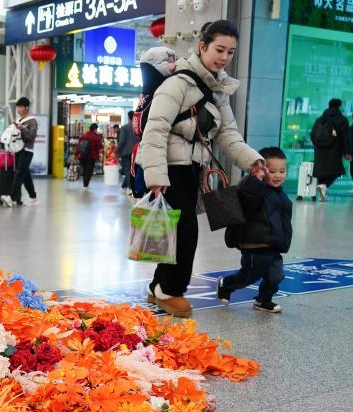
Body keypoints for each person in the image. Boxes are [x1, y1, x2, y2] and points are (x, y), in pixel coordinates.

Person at [136, 19, 264, 318]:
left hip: (192, 168)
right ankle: (170, 290)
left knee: (174, 230)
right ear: (202, 46)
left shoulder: (218, 90)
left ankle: (157, 285)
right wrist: (156, 177)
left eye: (231, 52)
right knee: (185, 231)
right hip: (169, 168)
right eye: (219, 49)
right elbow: (155, 130)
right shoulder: (178, 83)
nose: (224, 57)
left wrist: (252, 160)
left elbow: (228, 133)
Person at [218, 147, 292, 313]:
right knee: (248, 276)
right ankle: (226, 284)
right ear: (261, 169)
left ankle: (263, 300)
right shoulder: (252, 187)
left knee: (276, 276)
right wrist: (255, 180)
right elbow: (248, 201)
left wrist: (284, 241)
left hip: (273, 245)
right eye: (272, 171)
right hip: (254, 246)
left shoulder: (280, 193)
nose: (278, 175)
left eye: (282, 171)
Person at [311, 98, 350, 201]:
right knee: (337, 170)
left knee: (321, 171)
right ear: (339, 106)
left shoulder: (320, 119)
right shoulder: (342, 119)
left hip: (319, 150)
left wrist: (318, 144)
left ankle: (322, 189)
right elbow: (345, 137)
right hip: (334, 150)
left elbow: (312, 135)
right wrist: (347, 152)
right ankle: (324, 186)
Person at [3, 98, 39, 207]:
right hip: (17, 150)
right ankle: (33, 197)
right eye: (17, 107)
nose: (18, 109)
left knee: (19, 174)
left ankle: (11, 197)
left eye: (20, 107)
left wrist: (22, 129)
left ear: (26, 107)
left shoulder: (32, 121)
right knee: (25, 175)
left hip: (27, 150)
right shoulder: (19, 120)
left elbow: (32, 136)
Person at [117, 111, 139, 193]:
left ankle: (130, 188)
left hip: (126, 152)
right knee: (133, 170)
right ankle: (124, 186)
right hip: (136, 151)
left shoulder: (124, 127)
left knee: (127, 170)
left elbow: (122, 141)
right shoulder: (138, 127)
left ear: (128, 117)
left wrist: (117, 151)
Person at [76, 123, 103, 189]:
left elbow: (79, 145)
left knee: (85, 170)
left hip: (82, 155)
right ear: (95, 129)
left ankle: (85, 184)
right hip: (91, 156)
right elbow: (99, 146)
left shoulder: (84, 135)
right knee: (89, 171)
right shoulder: (96, 136)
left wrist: (77, 154)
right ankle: (85, 185)